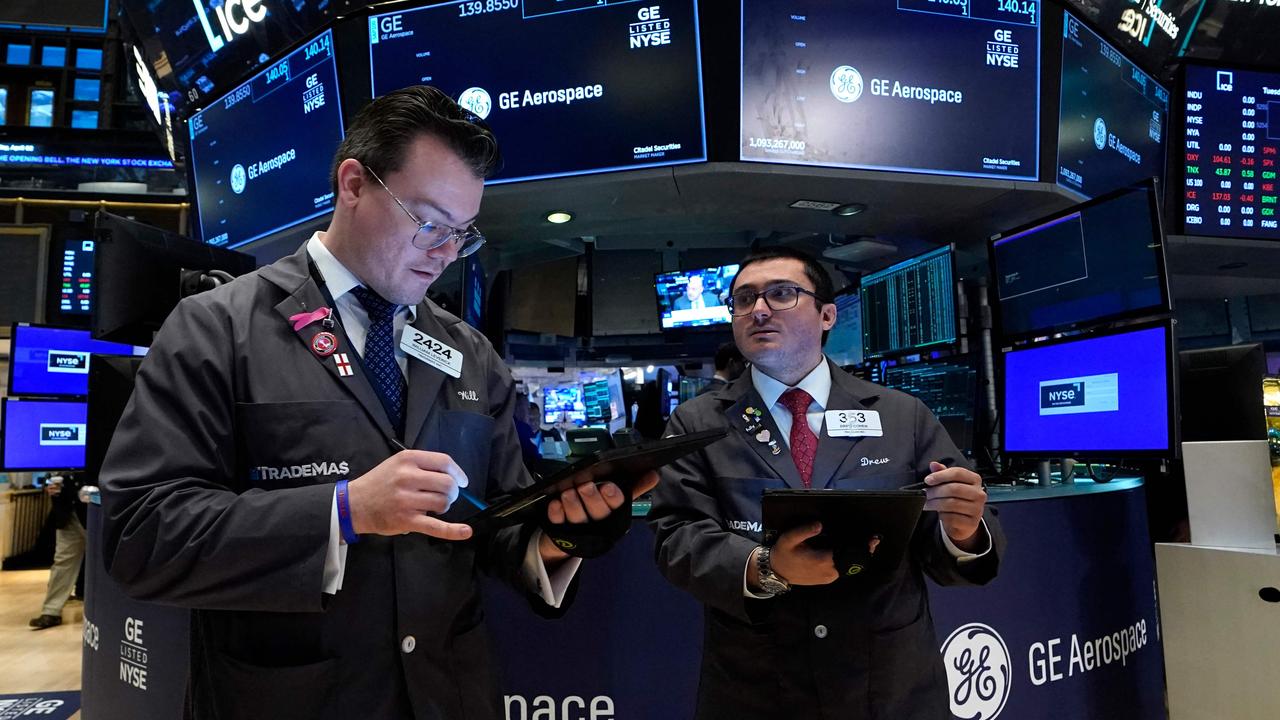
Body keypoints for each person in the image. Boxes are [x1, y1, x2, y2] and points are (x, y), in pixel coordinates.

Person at [99, 86, 655, 720]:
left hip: (449, 696)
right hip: (290, 700)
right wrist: (343, 512)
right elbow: (140, 537)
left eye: (462, 235)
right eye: (429, 223)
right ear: (354, 185)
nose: (445, 253)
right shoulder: (217, 328)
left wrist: (561, 537)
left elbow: (494, 522)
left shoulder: (470, 354)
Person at [647, 246, 1004, 719]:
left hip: (888, 683)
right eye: (744, 299)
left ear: (828, 315)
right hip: (759, 686)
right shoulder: (697, 422)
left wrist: (962, 531)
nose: (758, 309)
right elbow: (676, 536)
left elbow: (953, 541)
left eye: (781, 293)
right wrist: (766, 568)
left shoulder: (901, 414)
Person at [28, 473, 86, 630]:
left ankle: (112, 610)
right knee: (63, 561)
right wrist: (48, 484)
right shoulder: (59, 453)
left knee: (106, 563)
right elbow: (48, 474)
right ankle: (51, 611)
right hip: (67, 513)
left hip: (96, 511)